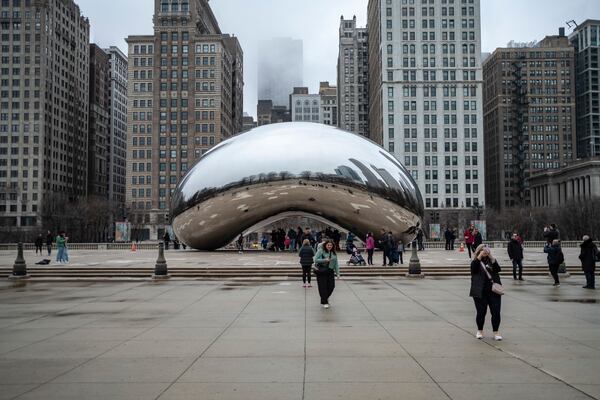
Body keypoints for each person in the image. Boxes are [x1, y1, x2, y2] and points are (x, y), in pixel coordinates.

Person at [470, 244, 503, 341]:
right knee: (481, 313)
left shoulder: (491, 261)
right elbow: (473, 268)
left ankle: (496, 332)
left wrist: (491, 256)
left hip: (494, 291)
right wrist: (479, 256)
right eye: (482, 250)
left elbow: (498, 269)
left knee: (496, 312)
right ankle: (480, 330)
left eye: (486, 250)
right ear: (478, 251)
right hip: (480, 292)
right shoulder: (475, 262)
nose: (485, 251)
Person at [313, 240, 340, 308]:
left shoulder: (334, 253)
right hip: (322, 271)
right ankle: (325, 301)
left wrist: (338, 273)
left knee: (331, 286)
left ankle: (324, 298)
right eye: (328, 245)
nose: (329, 246)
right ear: (325, 245)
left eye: (331, 245)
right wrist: (325, 260)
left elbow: (336, 264)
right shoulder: (321, 251)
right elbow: (315, 259)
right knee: (323, 287)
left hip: (330, 271)